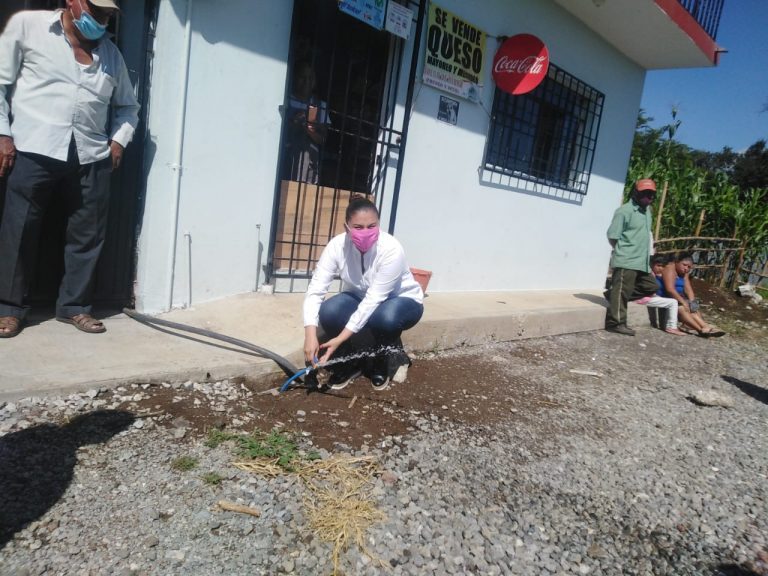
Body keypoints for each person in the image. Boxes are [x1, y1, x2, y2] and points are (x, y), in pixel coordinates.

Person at [0, 0, 140, 338]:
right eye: (95, 10)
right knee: (19, 230)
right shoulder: (28, 27)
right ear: (72, 2)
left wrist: (118, 141)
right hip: (35, 145)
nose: (102, 19)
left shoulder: (111, 56)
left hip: (90, 153)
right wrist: (3, 133)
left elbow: (127, 107)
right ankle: (8, 309)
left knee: (88, 233)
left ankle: (75, 307)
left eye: (107, 14)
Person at [303, 196, 424, 390]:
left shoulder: (391, 249)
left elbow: (374, 299)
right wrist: (310, 334)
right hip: (359, 297)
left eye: (372, 226)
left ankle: (381, 359)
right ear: (347, 227)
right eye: (358, 227)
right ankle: (352, 361)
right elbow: (316, 290)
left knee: (384, 318)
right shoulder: (337, 247)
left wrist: (340, 338)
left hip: (400, 300)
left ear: (378, 225)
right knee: (329, 312)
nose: (366, 232)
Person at [604, 178, 660, 336]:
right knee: (621, 292)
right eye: (645, 194)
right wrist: (624, 251)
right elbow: (613, 236)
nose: (649, 197)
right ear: (636, 193)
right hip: (627, 260)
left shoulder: (648, 212)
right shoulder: (624, 211)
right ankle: (616, 323)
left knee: (651, 286)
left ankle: (612, 294)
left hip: (641, 262)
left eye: (651, 195)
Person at [282, 60, 329, 184]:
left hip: (310, 166)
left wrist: (308, 129)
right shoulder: (285, 98)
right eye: (302, 77)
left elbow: (323, 139)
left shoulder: (320, 105)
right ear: (295, 78)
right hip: (286, 161)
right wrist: (293, 123)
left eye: (310, 78)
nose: (306, 82)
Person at [660, 252, 725, 337]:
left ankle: (704, 327)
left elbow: (688, 289)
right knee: (683, 308)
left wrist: (692, 303)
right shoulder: (670, 269)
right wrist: (683, 302)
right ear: (677, 262)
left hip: (678, 297)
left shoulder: (684, 273)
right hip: (667, 297)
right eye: (684, 265)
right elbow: (670, 289)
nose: (686, 268)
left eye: (689, 267)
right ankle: (700, 329)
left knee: (693, 308)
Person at [635, 255, 686, 336]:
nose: (660, 268)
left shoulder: (652, 274)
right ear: (652, 265)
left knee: (668, 300)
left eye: (662, 267)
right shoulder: (648, 275)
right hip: (642, 298)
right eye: (658, 266)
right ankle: (672, 327)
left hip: (646, 298)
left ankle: (667, 324)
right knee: (673, 302)